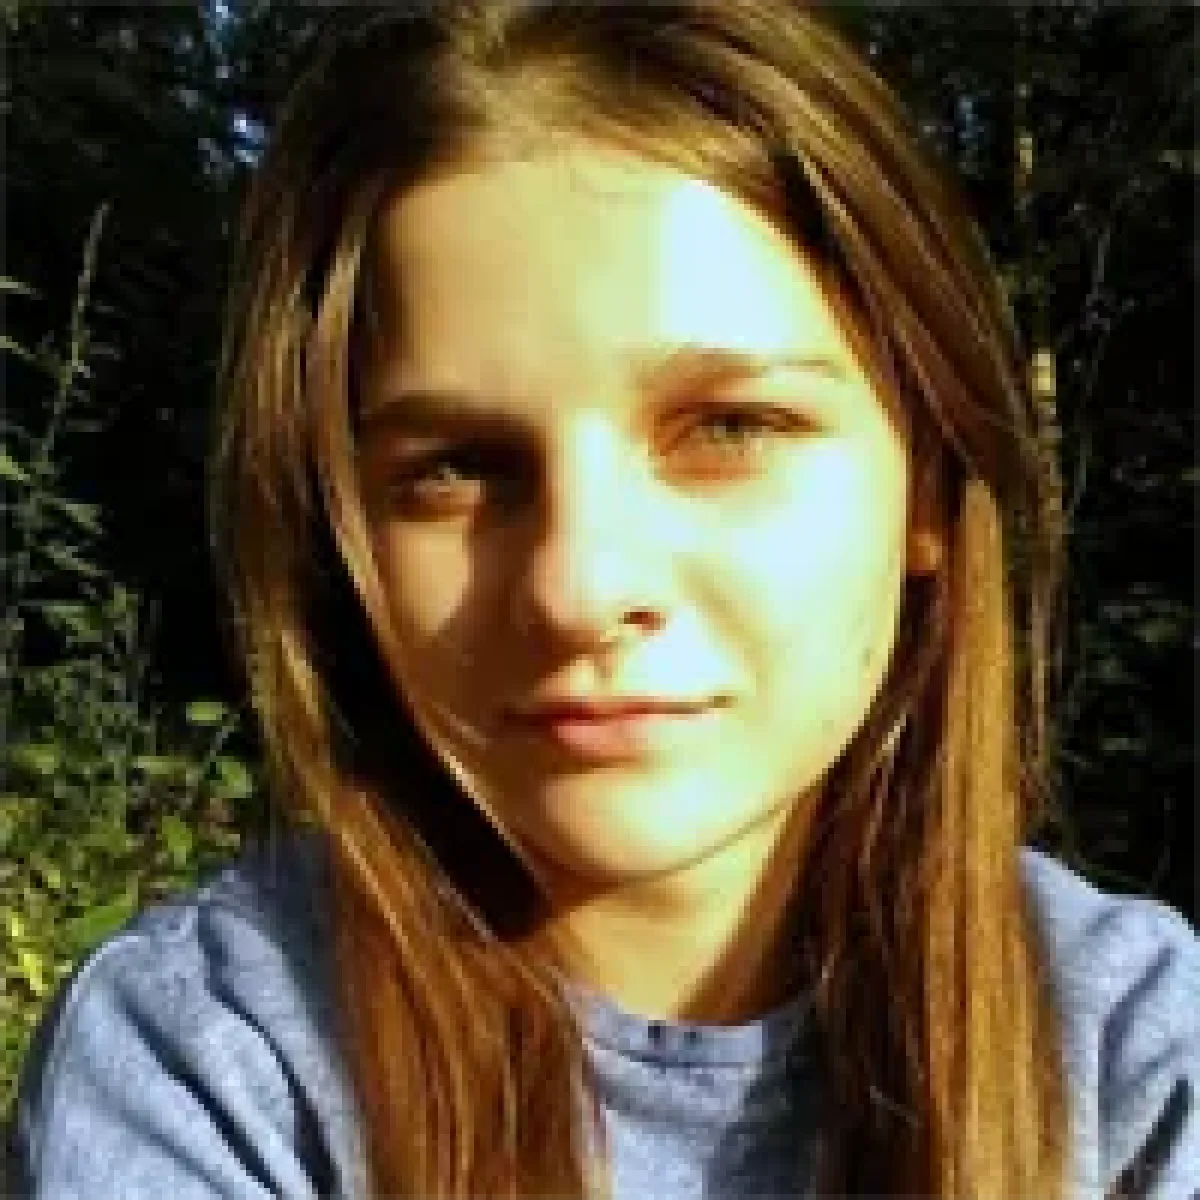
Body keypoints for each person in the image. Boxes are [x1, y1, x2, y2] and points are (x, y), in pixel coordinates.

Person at [13, 1, 1199, 1197]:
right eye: (457, 468)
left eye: (729, 429)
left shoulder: (1142, 1066)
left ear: (929, 488)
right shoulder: (207, 1065)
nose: (579, 589)